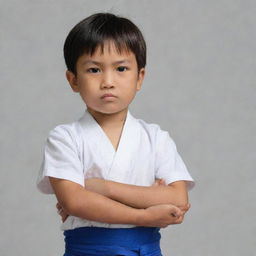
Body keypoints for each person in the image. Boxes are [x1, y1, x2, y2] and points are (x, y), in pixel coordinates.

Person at [36, 12, 195, 256]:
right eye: (93, 70)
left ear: (139, 77)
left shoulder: (155, 138)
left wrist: (101, 188)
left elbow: (178, 198)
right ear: (73, 80)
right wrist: (144, 212)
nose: (108, 81)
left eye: (121, 68)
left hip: (147, 249)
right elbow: (75, 202)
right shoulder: (65, 138)